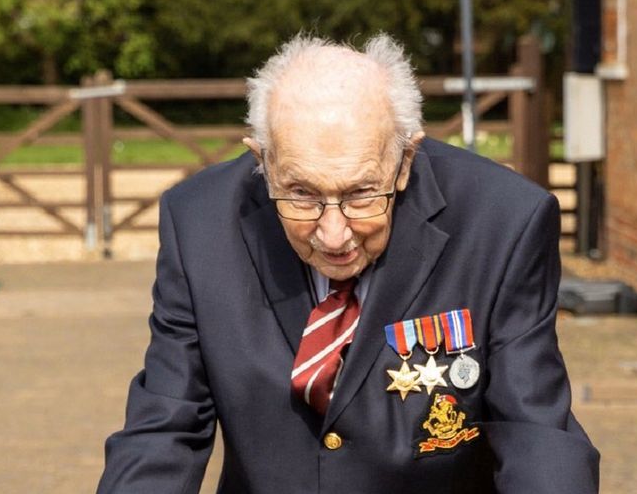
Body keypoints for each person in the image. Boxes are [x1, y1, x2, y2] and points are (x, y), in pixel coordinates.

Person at [97, 33, 600, 494]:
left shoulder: (503, 221)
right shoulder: (200, 223)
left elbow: (536, 434)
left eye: (361, 194)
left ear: (405, 160)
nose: (334, 233)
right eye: (301, 194)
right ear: (262, 161)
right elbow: (165, 426)